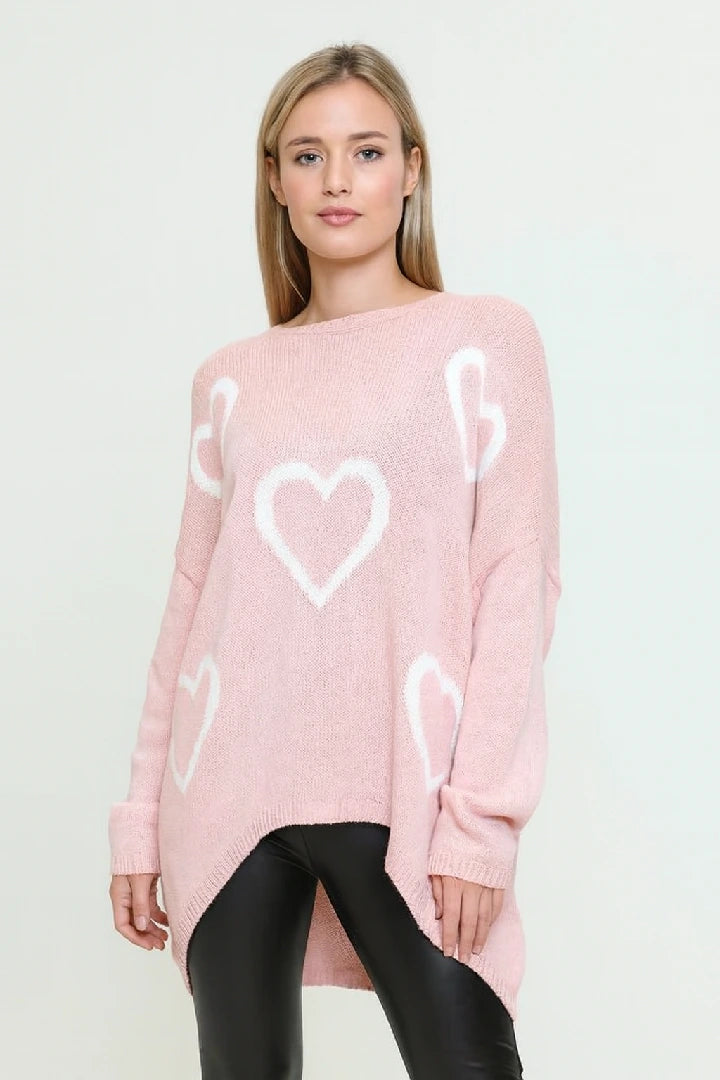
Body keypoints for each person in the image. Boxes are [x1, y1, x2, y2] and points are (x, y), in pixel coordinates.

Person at [108, 41, 562, 1080]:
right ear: (275, 179)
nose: (337, 180)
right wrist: (139, 821)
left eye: (366, 151)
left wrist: (481, 823)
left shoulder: (484, 342)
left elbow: (515, 582)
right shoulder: (230, 380)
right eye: (307, 156)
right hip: (228, 793)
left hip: (408, 791)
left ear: (411, 168)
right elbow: (192, 604)